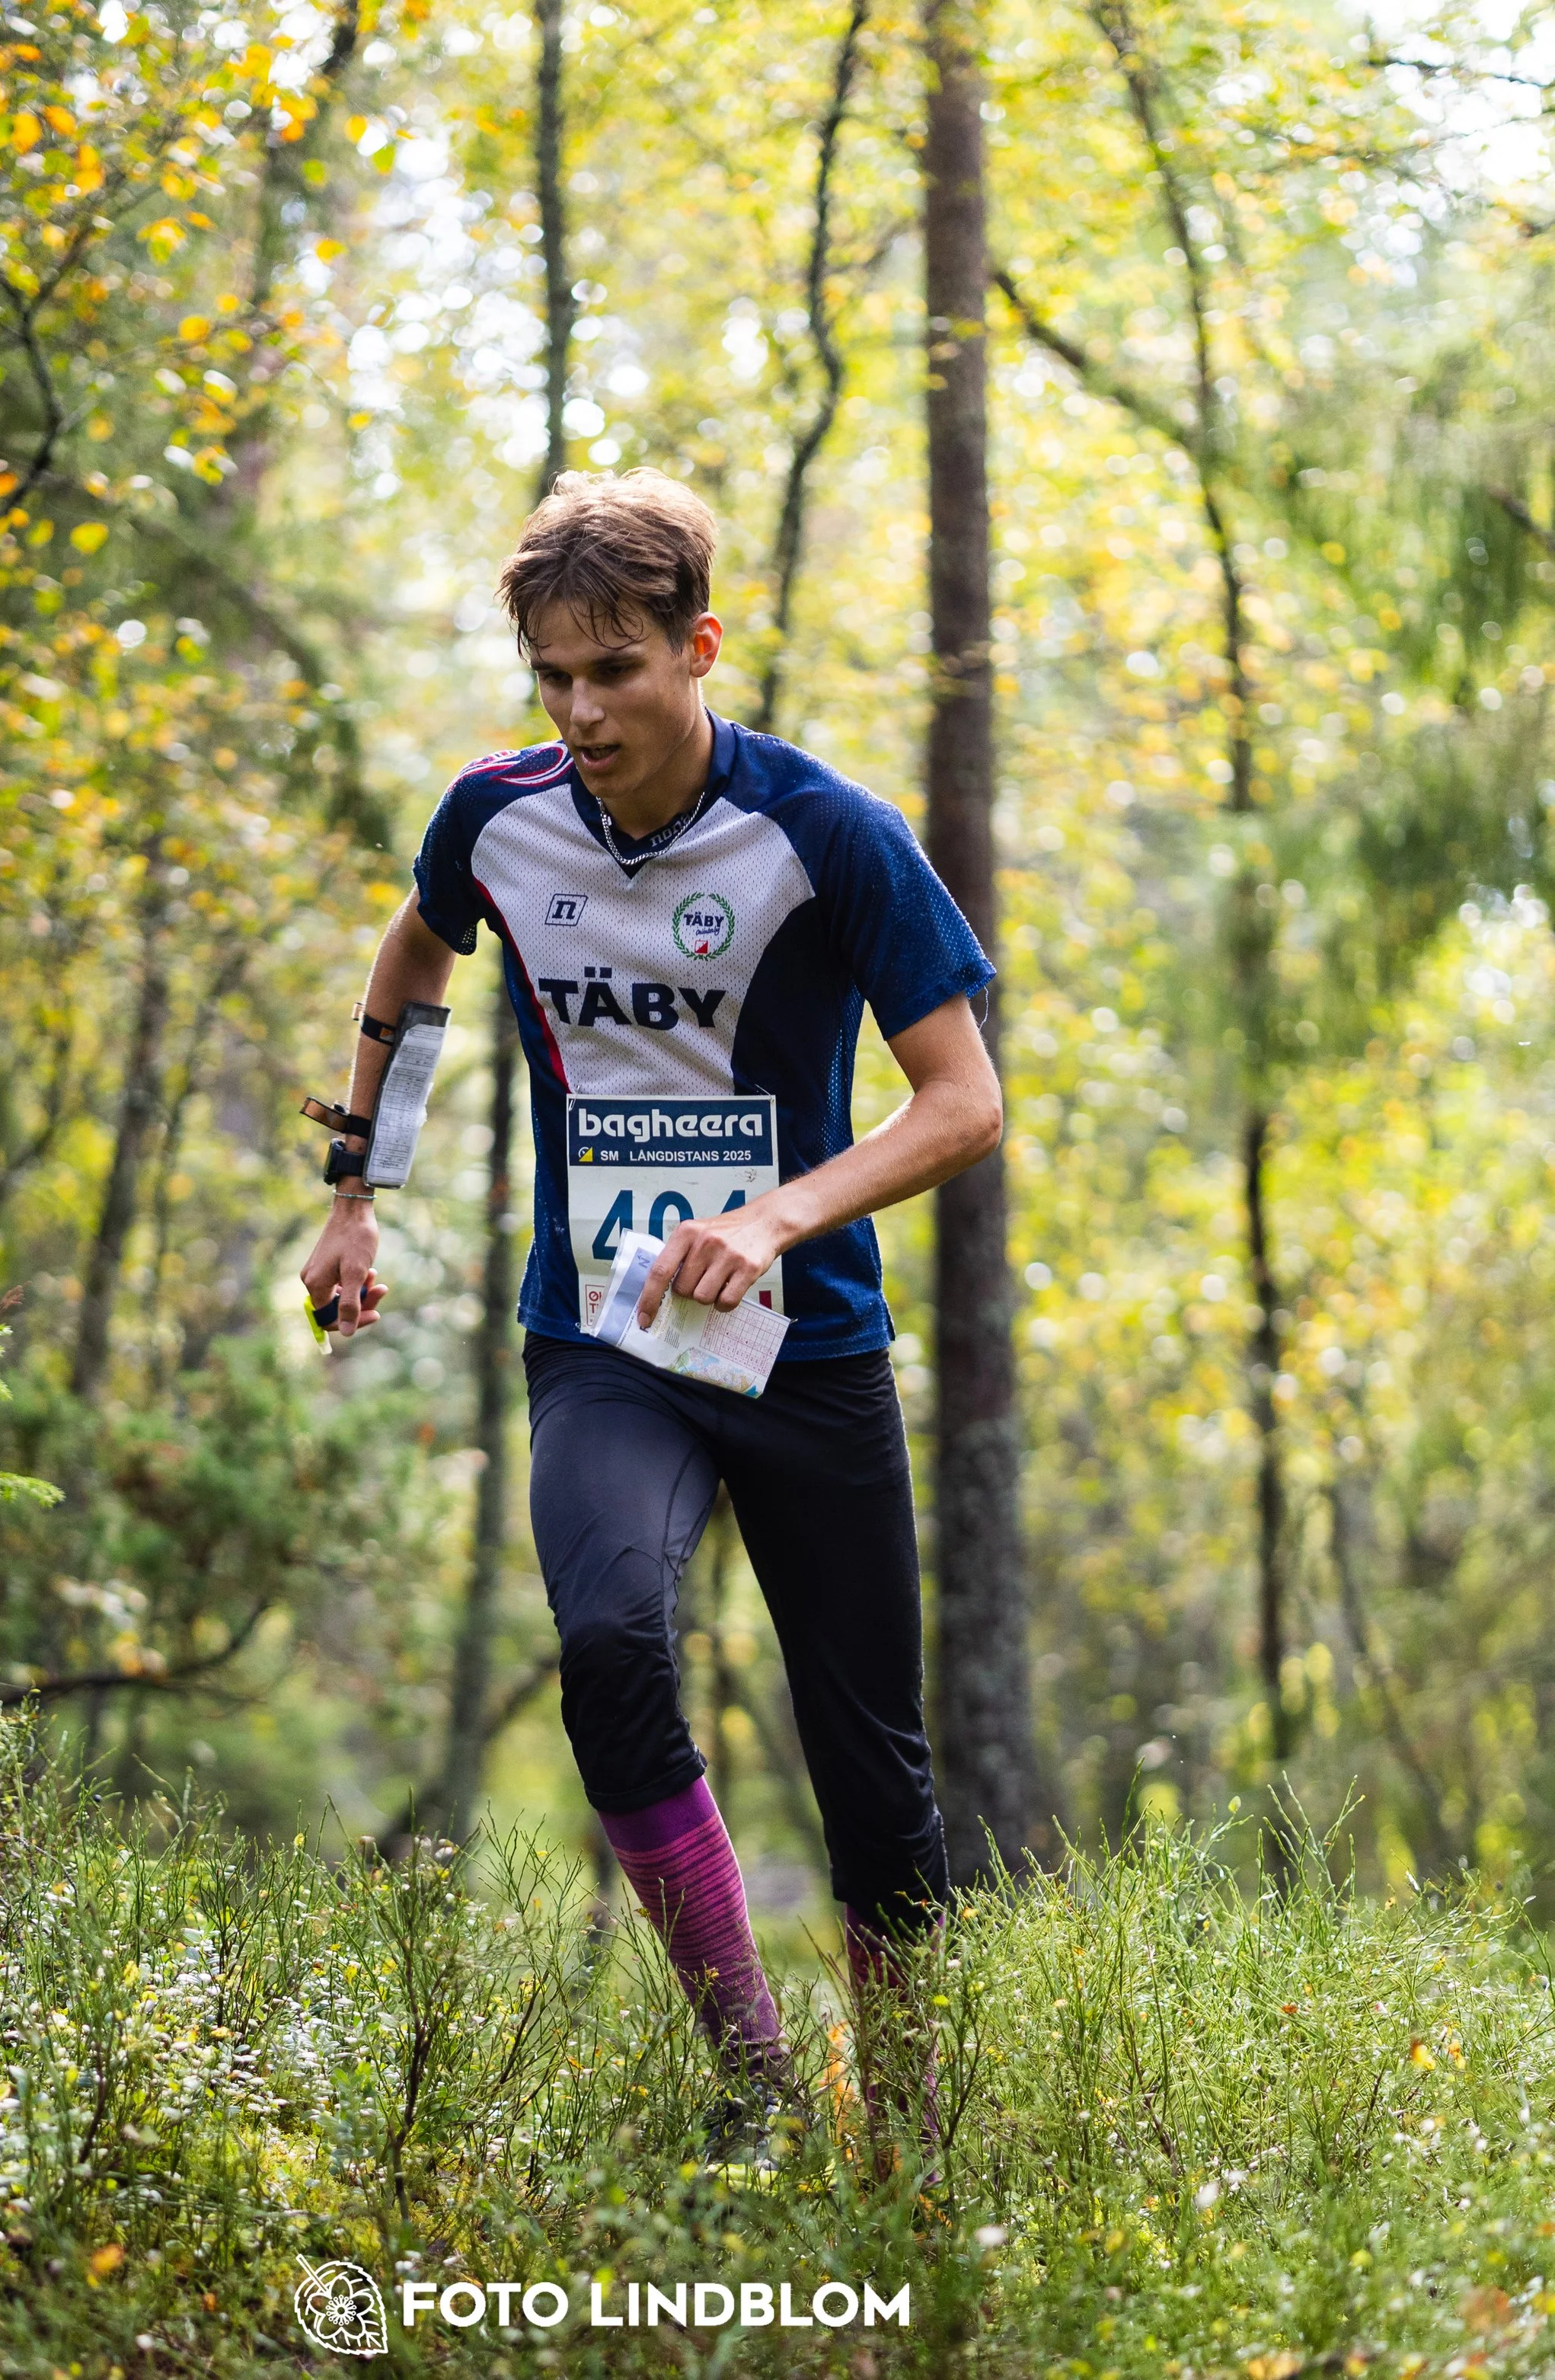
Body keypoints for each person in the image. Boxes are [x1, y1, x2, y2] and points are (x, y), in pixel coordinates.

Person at [299, 468, 1002, 2162]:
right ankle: (750, 2071)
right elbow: (410, 962)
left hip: (806, 1346)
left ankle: (906, 2137)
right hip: (604, 1338)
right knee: (609, 1647)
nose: (580, 708)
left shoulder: (825, 831)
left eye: (613, 669)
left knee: (871, 1775)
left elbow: (959, 1099)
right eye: (550, 673)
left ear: (696, 646)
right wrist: (350, 1197)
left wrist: (772, 1214)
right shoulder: (495, 818)